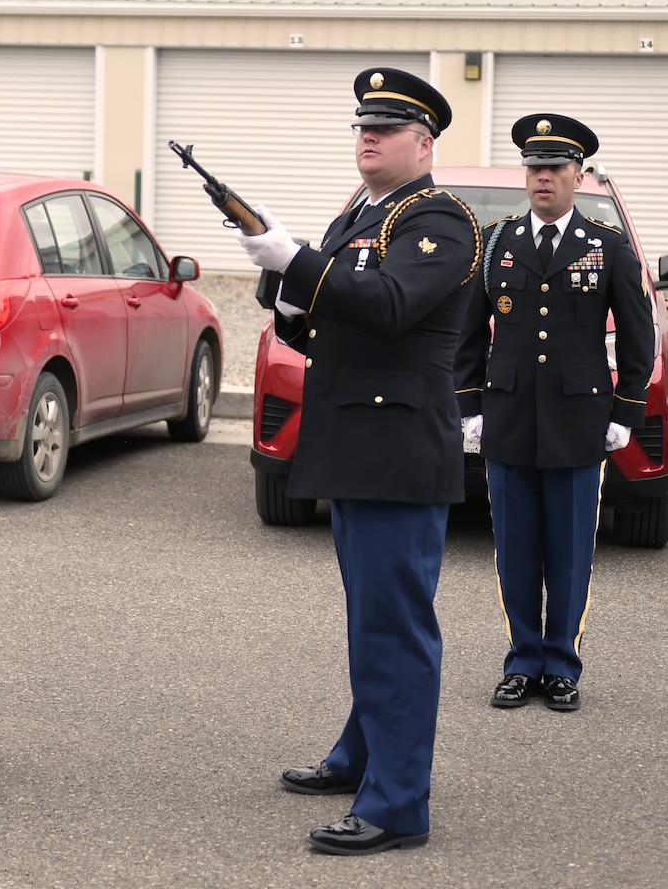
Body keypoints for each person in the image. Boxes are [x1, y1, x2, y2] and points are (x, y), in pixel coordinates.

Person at [233, 67, 478, 855]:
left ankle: (398, 803)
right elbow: (324, 326)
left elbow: (390, 306)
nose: (367, 136)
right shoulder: (360, 213)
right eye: (361, 125)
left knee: (394, 628)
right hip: (353, 442)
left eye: (386, 127)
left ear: (423, 142)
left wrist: (296, 259)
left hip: (395, 448)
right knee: (369, 620)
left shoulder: (438, 218)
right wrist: (285, 285)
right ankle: (361, 756)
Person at [454, 114, 654, 712]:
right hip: (510, 416)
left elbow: (639, 340)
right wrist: (470, 407)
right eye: (535, 167)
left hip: (578, 421)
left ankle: (562, 664)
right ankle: (521, 661)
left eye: (555, 168)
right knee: (515, 547)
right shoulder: (495, 243)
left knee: (568, 549)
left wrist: (626, 411)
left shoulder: (606, 246)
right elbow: (467, 335)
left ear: (577, 174)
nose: (543, 178)